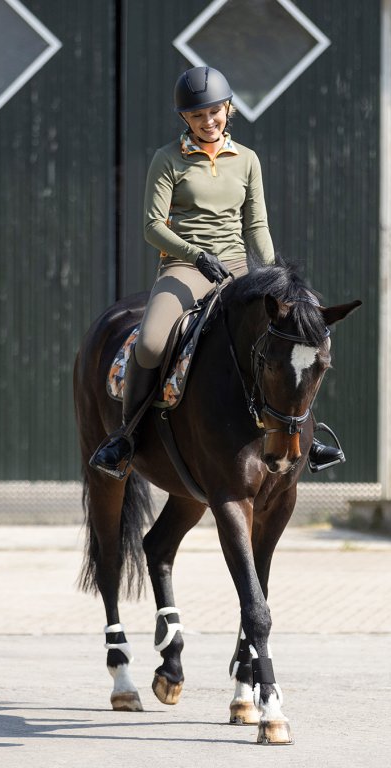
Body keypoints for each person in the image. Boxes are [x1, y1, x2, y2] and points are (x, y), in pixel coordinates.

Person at [90, 66, 344, 477]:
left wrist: (274, 275)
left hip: (240, 267)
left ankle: (307, 435)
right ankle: (126, 436)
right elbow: (152, 226)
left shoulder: (247, 160)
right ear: (184, 118)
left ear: (228, 109)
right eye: (197, 116)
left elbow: (256, 226)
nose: (208, 121)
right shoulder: (167, 159)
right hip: (186, 266)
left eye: (214, 112)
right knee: (151, 344)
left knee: (296, 335)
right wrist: (195, 255)